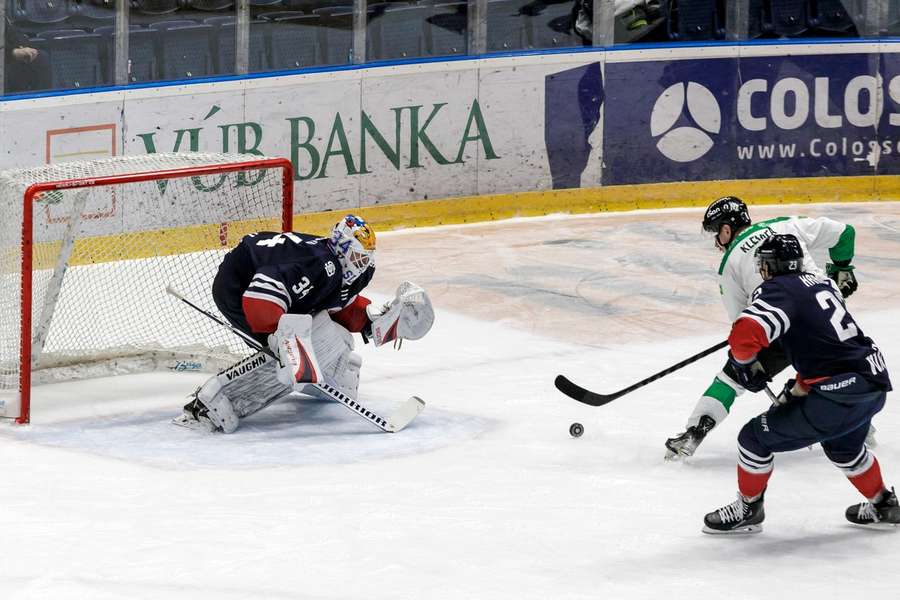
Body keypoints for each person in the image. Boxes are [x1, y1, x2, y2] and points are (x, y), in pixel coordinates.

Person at [703, 234, 896, 533]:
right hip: (873, 383)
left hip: (838, 396)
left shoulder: (778, 290)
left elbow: (743, 338)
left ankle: (749, 509)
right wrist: (800, 386)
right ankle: (885, 505)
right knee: (844, 449)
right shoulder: (823, 283)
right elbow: (827, 345)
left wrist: (746, 366)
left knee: (753, 439)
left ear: (769, 267)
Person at [176, 214, 434, 433]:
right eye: (358, 257)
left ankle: (334, 378)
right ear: (342, 248)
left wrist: (374, 319)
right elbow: (259, 300)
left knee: (334, 338)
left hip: (274, 287)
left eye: (366, 256)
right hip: (238, 285)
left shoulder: (350, 270)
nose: (363, 263)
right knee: (289, 354)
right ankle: (212, 404)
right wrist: (284, 338)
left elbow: (338, 308)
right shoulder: (317, 264)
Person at [665, 196, 860, 459]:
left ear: (726, 230)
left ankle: (695, 432)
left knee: (731, 378)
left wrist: (747, 364)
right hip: (828, 320)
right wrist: (842, 268)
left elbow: (742, 327)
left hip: (779, 330)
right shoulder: (785, 225)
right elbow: (845, 234)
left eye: (716, 233)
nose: (716, 241)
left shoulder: (729, 263)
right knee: (839, 372)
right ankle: (861, 427)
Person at [3, 17, 51, 94]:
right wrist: (12, 52)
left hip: (8, 57)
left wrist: (22, 46)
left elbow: (12, 32)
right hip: (5, 60)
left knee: (41, 58)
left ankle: (43, 99)